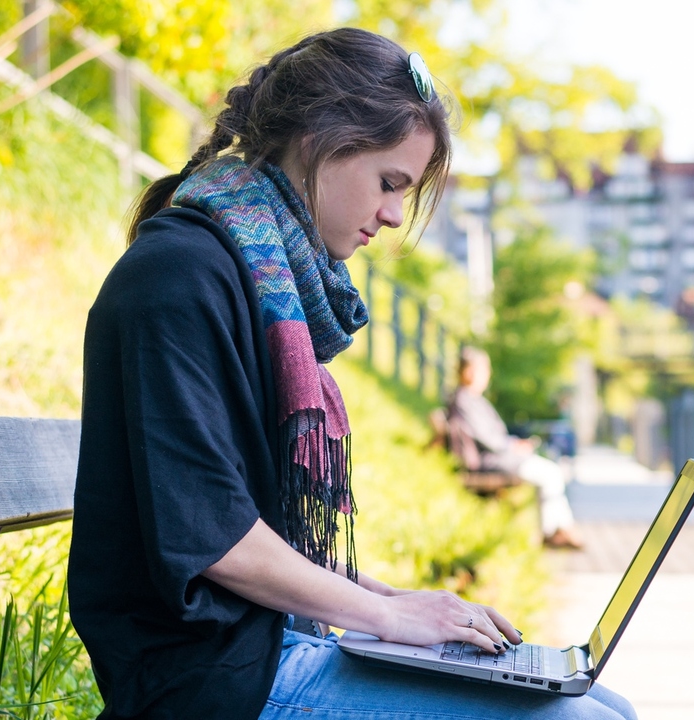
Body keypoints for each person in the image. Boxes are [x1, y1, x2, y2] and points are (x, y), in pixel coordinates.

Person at [66, 28, 636, 720]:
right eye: (390, 182)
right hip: (211, 680)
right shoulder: (178, 277)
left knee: (602, 703)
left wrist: (392, 600)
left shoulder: (249, 274)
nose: (395, 215)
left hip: (269, 645)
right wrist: (388, 619)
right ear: (318, 141)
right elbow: (213, 538)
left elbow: (247, 529)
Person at [447, 347, 585, 549]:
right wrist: (513, 446)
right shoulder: (464, 401)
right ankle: (553, 531)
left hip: (497, 457)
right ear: (469, 372)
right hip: (489, 462)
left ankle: (559, 528)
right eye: (484, 370)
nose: (488, 375)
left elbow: (492, 436)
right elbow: (487, 439)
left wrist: (514, 444)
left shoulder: (471, 400)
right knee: (550, 473)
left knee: (551, 471)